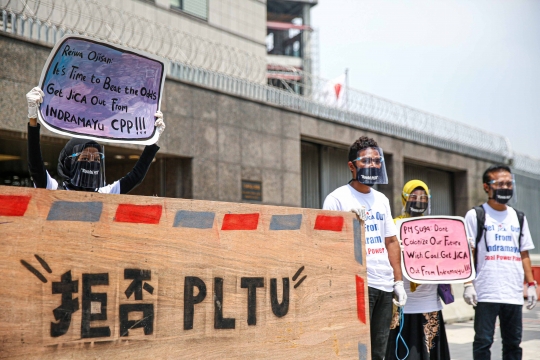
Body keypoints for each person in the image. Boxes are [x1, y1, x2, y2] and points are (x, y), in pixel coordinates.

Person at [322, 136, 406, 360]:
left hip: (384, 285)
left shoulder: (382, 200)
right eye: (367, 161)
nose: (374, 166)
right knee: (353, 350)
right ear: (352, 166)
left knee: (379, 350)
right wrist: (348, 224)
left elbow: (391, 241)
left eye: (378, 161)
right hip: (356, 284)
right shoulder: (337, 199)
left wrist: (398, 281)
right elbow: (327, 246)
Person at [25, 87, 165, 193]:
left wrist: (153, 138)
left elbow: (136, 177)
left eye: (96, 158)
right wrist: (32, 118)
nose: (92, 161)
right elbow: (36, 167)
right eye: (85, 157)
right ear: (69, 161)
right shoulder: (54, 188)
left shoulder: (104, 193)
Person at [463, 165, 537, 360]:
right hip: (486, 291)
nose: (506, 187)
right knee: (483, 341)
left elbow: (524, 253)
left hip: (512, 291)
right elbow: (467, 253)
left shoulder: (518, 217)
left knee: (513, 343)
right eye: (499, 183)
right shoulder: (475, 215)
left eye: (508, 183)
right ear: (486, 187)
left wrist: (531, 285)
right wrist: (468, 284)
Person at [386, 180, 451, 360]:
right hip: (403, 304)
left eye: (423, 197)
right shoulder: (393, 226)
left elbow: (445, 256)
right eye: (413, 196)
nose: (419, 201)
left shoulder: (436, 227)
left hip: (429, 303)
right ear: (404, 198)